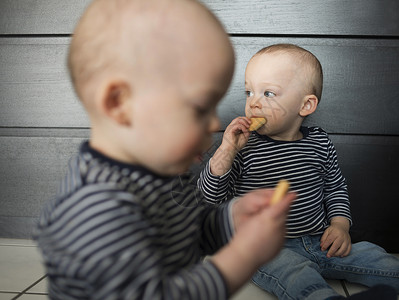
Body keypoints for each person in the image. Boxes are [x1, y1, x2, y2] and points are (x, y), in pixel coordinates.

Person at [33, 1, 296, 299]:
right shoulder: (96, 208)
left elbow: (189, 232)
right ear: (120, 103)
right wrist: (244, 256)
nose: (213, 123)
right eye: (200, 107)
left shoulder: (165, 172)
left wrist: (231, 219)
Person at [198, 43, 399, 300]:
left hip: (318, 240)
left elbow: (335, 188)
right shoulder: (241, 146)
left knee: (371, 255)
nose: (253, 103)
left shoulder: (319, 143)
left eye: (268, 94)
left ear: (306, 105)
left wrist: (340, 225)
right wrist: (225, 151)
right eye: (249, 92)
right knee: (294, 273)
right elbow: (210, 199)